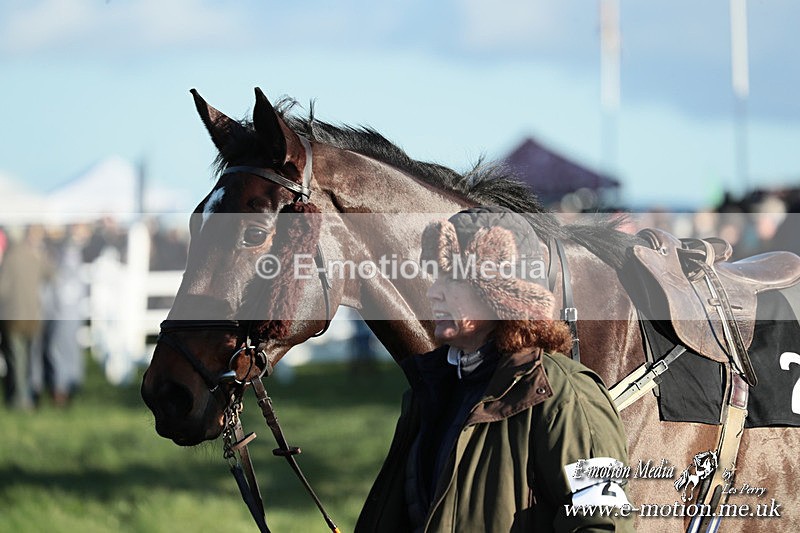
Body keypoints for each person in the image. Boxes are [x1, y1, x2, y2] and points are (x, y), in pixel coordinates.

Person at [356, 207, 632, 532]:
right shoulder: (432, 389)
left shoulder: (566, 394)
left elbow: (601, 524)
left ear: (502, 295)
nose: (433, 292)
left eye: (453, 279)